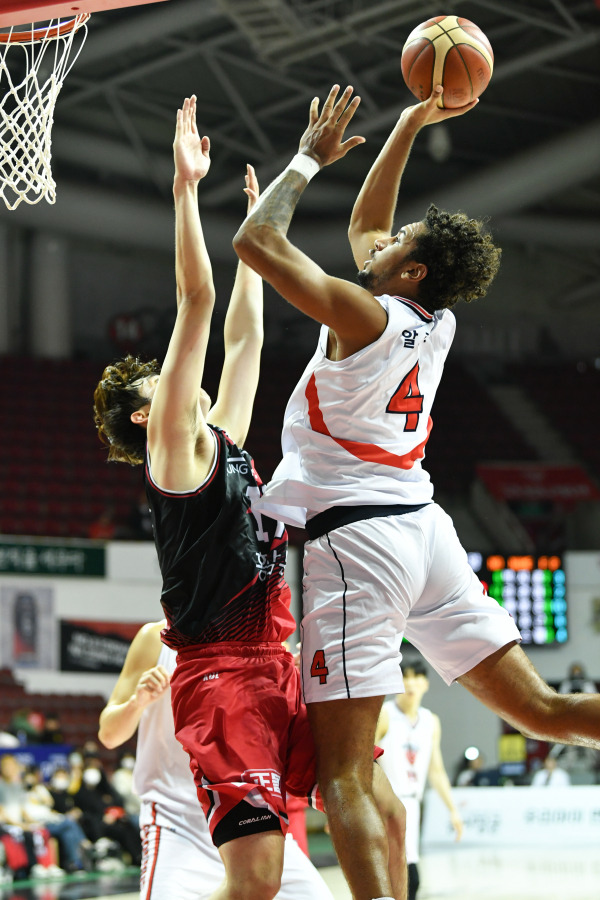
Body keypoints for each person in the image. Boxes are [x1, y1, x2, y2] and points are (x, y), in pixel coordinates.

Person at [232, 82, 600, 900]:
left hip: (360, 540)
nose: (385, 236)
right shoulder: (435, 319)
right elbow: (370, 227)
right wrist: (406, 122)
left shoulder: (361, 313)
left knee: (344, 778)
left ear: (413, 268)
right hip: (424, 530)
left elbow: (256, 241)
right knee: (542, 709)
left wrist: (309, 158)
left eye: (401, 240)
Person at [92, 97, 405, 900]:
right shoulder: (172, 451)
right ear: (144, 410)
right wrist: (185, 192)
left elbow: (244, 338)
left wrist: (255, 248)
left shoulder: (221, 436)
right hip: (222, 674)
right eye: (161, 377)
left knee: (374, 795)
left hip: (278, 659)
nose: (178, 376)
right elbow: (196, 305)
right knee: (257, 884)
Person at [99, 620, 336, 900]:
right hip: (178, 823)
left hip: (249, 812)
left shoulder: (266, 642)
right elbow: (109, 735)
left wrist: (295, 682)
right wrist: (136, 703)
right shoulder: (156, 638)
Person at [375, 660, 462, 900]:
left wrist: (453, 810)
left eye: (416, 677)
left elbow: (436, 770)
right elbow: (364, 760)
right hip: (387, 803)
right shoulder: (385, 714)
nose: (411, 683)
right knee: (405, 875)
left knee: (404, 873)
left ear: (425, 684)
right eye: (406, 677)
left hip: (413, 803)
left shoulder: (430, 721)